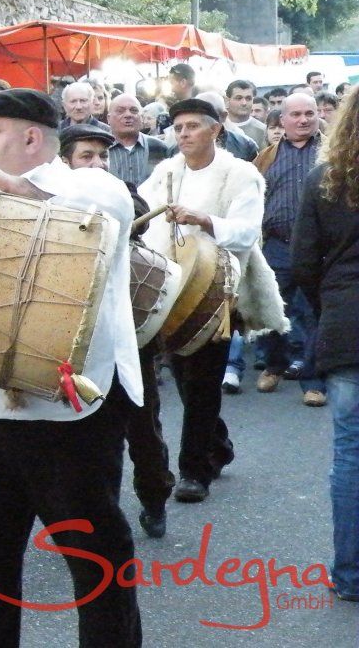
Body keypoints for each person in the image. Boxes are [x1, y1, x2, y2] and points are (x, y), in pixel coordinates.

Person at [0, 88, 144, 648]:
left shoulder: (91, 184)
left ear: (32, 138)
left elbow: (101, 209)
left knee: (96, 562)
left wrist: (17, 187)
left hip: (68, 415)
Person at [137, 98, 288, 504]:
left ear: (215, 130)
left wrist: (204, 220)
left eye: (192, 127)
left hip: (220, 291)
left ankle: (193, 472)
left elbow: (245, 232)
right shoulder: (165, 171)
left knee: (202, 382)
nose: (183, 134)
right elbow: (145, 213)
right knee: (186, 379)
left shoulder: (239, 175)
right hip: (172, 289)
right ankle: (216, 445)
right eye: (178, 128)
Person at [59, 122, 176, 539]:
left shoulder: (123, 192)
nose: (98, 163)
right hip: (72, 328)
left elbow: (134, 220)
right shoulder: (53, 196)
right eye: (86, 156)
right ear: (65, 161)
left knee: (142, 423)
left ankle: (155, 495)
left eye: (102, 156)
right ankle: (96, 513)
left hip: (126, 325)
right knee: (81, 429)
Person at [292, 90, 359, 603]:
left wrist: (331, 306)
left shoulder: (324, 181)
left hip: (346, 322)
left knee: (351, 454)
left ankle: (351, 574)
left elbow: (305, 264)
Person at [253, 93, 328, 406]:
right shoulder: (265, 157)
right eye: (295, 114)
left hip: (319, 247)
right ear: (281, 120)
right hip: (277, 246)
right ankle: (274, 365)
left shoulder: (330, 154)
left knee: (313, 314)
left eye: (309, 113)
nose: (303, 120)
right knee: (272, 308)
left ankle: (313, 381)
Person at [105, 94, 170, 186]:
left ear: (141, 117)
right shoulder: (101, 150)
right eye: (120, 111)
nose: (128, 115)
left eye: (134, 110)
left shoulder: (159, 147)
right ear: (108, 118)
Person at [225, 79, 267, 149]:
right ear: (227, 100)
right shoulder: (218, 127)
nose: (244, 103)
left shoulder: (263, 131)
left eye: (248, 98)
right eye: (238, 98)